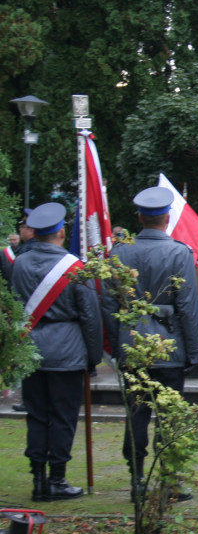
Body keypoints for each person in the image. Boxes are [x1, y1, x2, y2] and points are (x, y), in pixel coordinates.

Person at [104, 187, 198, 501]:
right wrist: (194, 347)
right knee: (169, 415)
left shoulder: (119, 253)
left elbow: (109, 305)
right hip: (168, 344)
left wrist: (118, 341)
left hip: (132, 345)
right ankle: (169, 482)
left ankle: (137, 481)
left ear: (139, 218)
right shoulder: (178, 252)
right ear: (167, 217)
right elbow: (188, 305)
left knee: (136, 414)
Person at [11, 202, 102, 501]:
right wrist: (93, 357)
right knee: (63, 417)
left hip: (30, 351)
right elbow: (90, 317)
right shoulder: (75, 267)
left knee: (37, 415)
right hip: (67, 352)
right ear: (61, 232)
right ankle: (58, 480)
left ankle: (38, 478)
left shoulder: (19, 264)